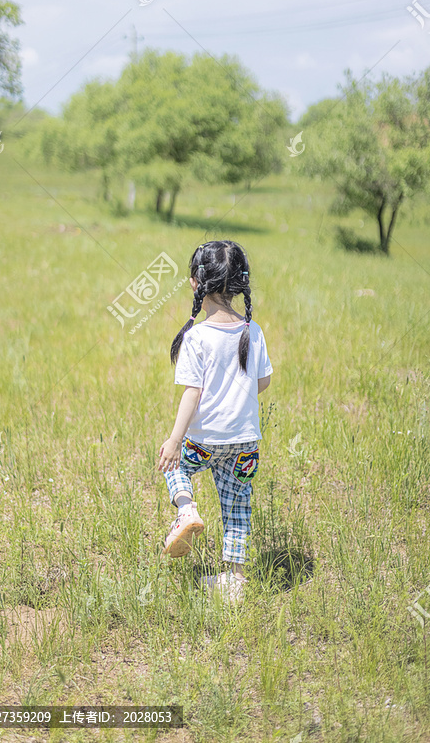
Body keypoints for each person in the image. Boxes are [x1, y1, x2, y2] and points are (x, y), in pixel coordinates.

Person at [158, 240, 272, 603]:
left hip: (204, 440)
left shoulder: (198, 336)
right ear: (239, 282)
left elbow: (192, 393)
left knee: (173, 466)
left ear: (196, 283)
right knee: (237, 504)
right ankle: (235, 580)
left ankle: (187, 510)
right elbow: (263, 382)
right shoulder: (253, 331)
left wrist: (175, 439)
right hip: (245, 442)